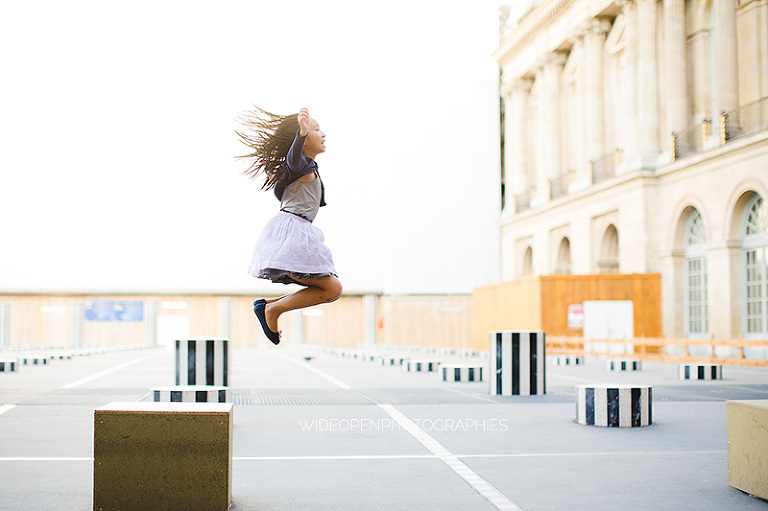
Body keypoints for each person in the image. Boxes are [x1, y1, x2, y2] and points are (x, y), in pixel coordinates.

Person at [236, 106, 342, 344]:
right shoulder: (300, 165)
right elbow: (294, 160)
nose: (323, 134)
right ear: (302, 140)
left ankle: (269, 308)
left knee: (331, 290)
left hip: (295, 230)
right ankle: (271, 310)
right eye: (317, 129)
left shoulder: (305, 168)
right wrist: (301, 135)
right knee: (332, 289)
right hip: (293, 232)